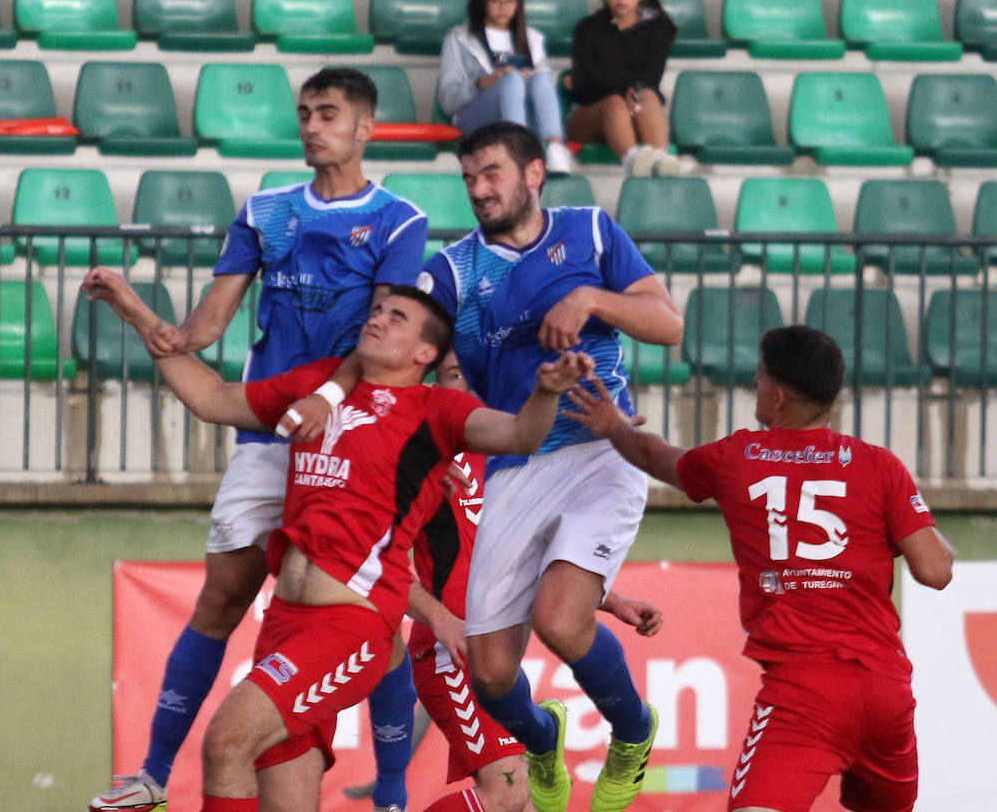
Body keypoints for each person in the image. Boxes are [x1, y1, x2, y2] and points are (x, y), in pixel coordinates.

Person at [84, 271, 595, 812]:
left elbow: (520, 435)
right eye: (378, 312)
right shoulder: (320, 387)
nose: (377, 318)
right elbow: (211, 398)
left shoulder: (435, 411)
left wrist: (546, 390)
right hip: (283, 623)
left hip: (350, 628)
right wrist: (139, 315)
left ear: (426, 350)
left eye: (396, 317)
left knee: (226, 740)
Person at [90, 67, 428, 812]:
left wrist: (331, 396)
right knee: (222, 598)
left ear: (366, 127)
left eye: (329, 113)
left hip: (349, 441)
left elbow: (382, 331)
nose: (312, 124)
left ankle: (394, 793)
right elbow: (209, 326)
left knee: (378, 614)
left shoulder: (400, 220)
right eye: (305, 112)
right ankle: (151, 773)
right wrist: (146, 316)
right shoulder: (266, 210)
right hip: (270, 432)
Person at [563, 325, 954, 812]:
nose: (755, 381)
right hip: (884, 690)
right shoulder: (880, 466)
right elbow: (936, 571)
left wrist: (613, 423)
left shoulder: (740, 457)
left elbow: (656, 457)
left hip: (804, 692)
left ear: (780, 396)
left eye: (761, 375)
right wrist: (901, 526)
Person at [417, 121, 683, 812]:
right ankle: (543, 739)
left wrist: (592, 298)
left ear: (535, 173)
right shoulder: (451, 273)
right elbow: (414, 364)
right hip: (514, 465)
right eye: (470, 178)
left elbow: (668, 323)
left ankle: (633, 730)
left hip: (602, 448)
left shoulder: (590, 231)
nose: (480, 190)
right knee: (492, 673)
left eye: (493, 173)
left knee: (562, 622)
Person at [403, 350, 663, 812]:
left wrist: (609, 598)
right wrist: (440, 620)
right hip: (449, 650)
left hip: (493, 644)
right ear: (436, 388)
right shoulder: (425, 463)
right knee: (506, 795)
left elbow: (542, 557)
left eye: (475, 373)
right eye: (454, 375)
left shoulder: (514, 465)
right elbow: (378, 565)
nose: (468, 386)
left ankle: (549, 732)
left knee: (522, 804)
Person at [440, 0, 575, 175]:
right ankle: (517, 150)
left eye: (510, 1)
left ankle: (555, 146)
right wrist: (483, 82)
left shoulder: (532, 38)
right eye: (495, 0)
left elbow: (543, 94)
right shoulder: (459, 38)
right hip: (477, 116)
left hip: (525, 117)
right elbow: (448, 101)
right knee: (511, 79)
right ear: (482, 0)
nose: (503, 7)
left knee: (541, 78)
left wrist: (526, 80)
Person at [565, 0, 679, 177]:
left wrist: (607, 78)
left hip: (637, 111)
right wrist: (624, 84)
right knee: (616, 102)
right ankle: (632, 161)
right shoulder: (588, 28)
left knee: (646, 96)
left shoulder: (658, 29)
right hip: (590, 115)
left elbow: (650, 78)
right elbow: (583, 83)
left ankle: (660, 160)